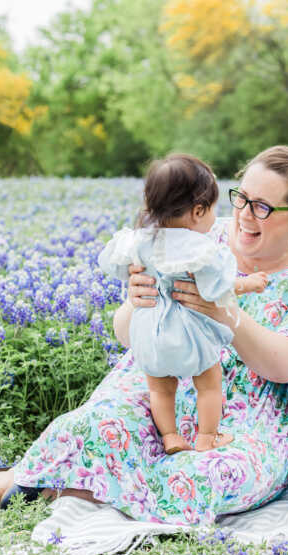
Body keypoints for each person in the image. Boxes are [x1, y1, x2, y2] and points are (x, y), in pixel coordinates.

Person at [0, 145, 288, 522]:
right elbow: (125, 334)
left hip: (239, 416)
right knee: (97, 425)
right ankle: (70, 481)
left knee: (209, 474)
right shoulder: (193, 233)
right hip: (159, 383)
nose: (244, 214)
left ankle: (70, 485)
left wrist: (224, 313)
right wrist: (135, 302)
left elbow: (287, 365)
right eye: (240, 197)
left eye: (261, 206)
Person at [97, 154, 268, 454]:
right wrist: (249, 284)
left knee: (159, 388)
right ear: (198, 211)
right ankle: (207, 437)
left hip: (150, 332)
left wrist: (135, 277)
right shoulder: (198, 248)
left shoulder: (138, 240)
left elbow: (117, 265)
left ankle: (171, 437)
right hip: (188, 334)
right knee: (210, 382)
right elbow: (217, 288)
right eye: (213, 208)